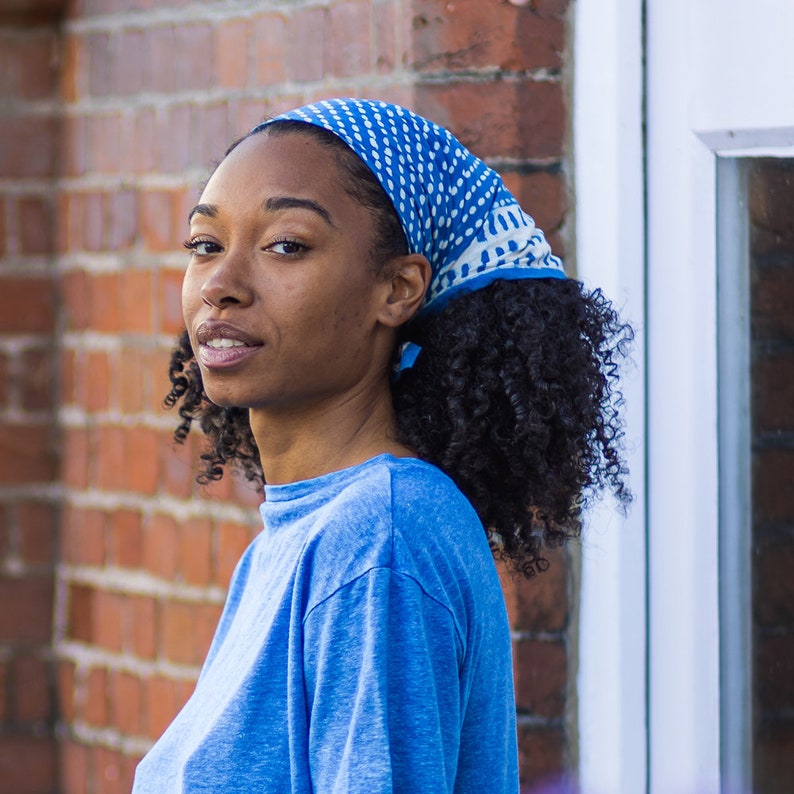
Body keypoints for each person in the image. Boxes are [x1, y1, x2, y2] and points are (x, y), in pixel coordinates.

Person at [132, 98, 631, 793]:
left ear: (396, 290)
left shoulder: (380, 541)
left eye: (286, 244)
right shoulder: (307, 531)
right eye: (205, 245)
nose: (220, 286)